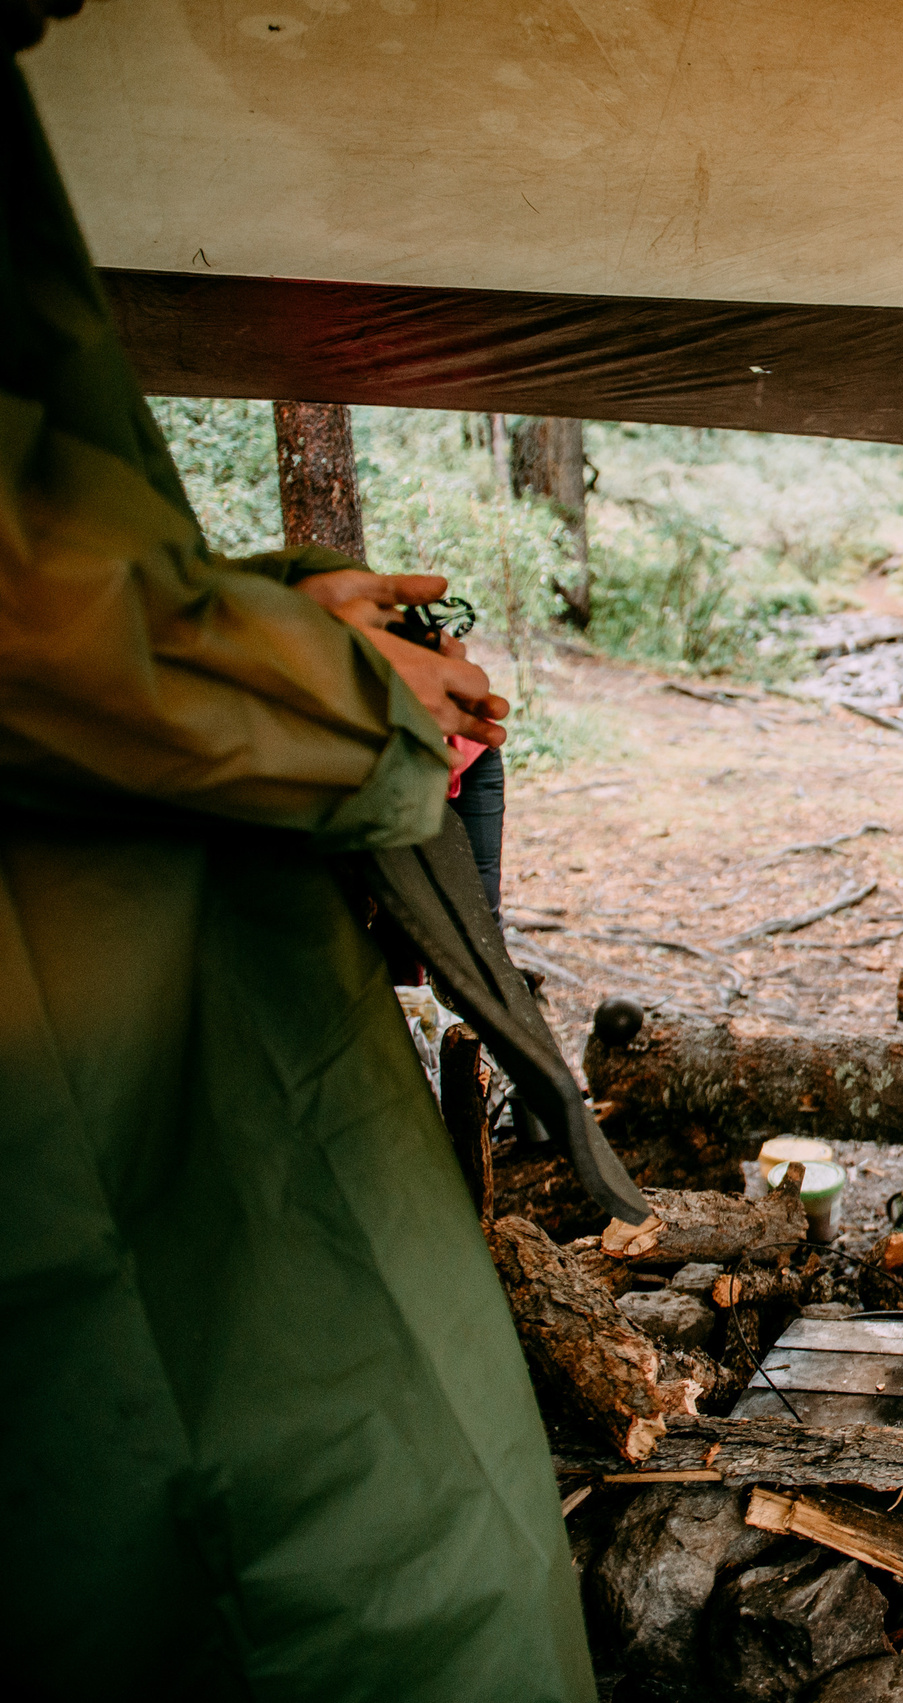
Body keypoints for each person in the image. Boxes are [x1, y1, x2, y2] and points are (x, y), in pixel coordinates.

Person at [0, 31, 593, 1699]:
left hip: (162, 989)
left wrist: (268, 604)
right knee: (361, 1570)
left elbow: (78, 572)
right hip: (91, 1075)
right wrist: (340, 702)